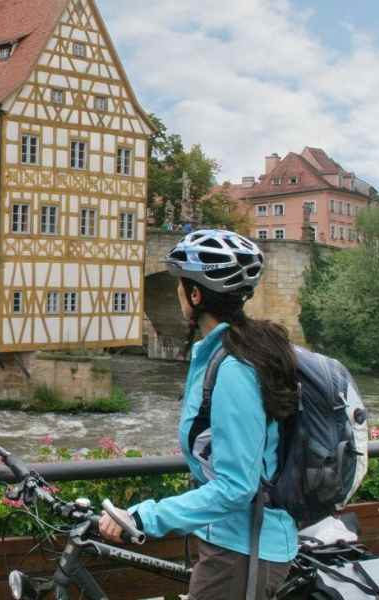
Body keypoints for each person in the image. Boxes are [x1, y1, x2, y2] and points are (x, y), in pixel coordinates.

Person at [100, 229, 299, 599]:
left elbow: (237, 486)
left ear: (195, 295)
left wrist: (144, 516)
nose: (176, 293)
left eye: (180, 285)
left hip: (243, 550)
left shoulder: (235, 369)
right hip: (235, 541)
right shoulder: (231, 352)